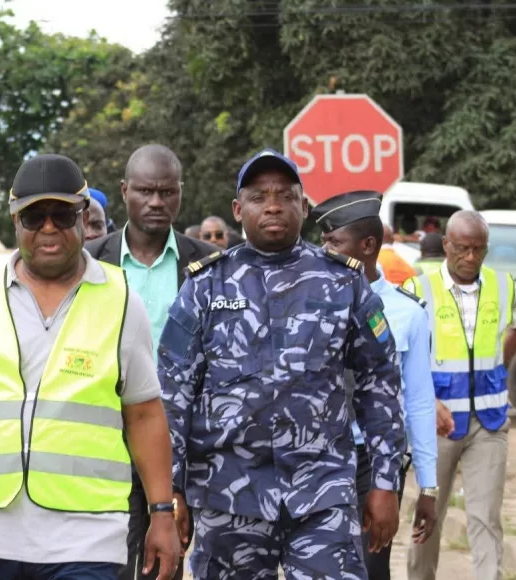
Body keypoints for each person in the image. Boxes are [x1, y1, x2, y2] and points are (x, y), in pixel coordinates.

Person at [0, 153, 181, 580]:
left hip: (89, 534)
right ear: (15, 221)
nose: (49, 228)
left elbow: (145, 414)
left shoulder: (120, 298)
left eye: (62, 215)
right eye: (35, 217)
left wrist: (161, 512)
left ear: (83, 217)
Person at [160, 148, 405, 578]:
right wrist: (170, 491)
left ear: (304, 207)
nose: (273, 206)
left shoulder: (343, 282)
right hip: (228, 495)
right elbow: (173, 393)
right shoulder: (205, 286)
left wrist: (386, 482)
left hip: (321, 492)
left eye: (285, 195)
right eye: (258, 197)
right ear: (238, 210)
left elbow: (379, 382)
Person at [84, 144, 217, 580]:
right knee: (110, 563)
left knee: (164, 565)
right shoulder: (89, 262)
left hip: (183, 443)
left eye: (167, 191)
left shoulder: (210, 265)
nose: (156, 202)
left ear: (180, 192)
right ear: (125, 191)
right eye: (145, 191)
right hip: (107, 437)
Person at [311, 190, 440, 580]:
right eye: (322, 241)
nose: (323, 251)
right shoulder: (308, 303)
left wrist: (428, 488)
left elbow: (418, 400)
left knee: (370, 566)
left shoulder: (406, 312)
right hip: (317, 455)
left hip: (375, 458)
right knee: (316, 564)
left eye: (334, 242)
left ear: (367, 246)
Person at [405, 210, 516, 580]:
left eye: (478, 249)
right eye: (462, 248)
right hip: (436, 425)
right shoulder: (418, 289)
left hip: (489, 422)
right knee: (429, 517)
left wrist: (498, 365)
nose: (470, 257)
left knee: (486, 516)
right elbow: (400, 356)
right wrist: (425, 400)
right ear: (446, 245)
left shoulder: (504, 286)